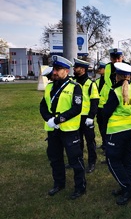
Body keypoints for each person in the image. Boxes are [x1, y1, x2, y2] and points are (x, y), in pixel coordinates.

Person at [39, 55, 86, 200]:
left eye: (58, 69)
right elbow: (43, 106)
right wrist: (49, 120)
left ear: (66, 71)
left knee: (75, 160)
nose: (55, 71)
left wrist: (58, 120)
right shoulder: (49, 87)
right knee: (55, 158)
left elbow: (76, 108)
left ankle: (80, 187)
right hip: (53, 130)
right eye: (54, 68)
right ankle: (59, 183)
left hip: (69, 130)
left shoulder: (75, 87)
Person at [102, 62, 131, 205]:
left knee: (112, 161)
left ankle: (127, 188)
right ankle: (127, 184)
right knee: (127, 159)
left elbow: (106, 112)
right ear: (129, 77)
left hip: (117, 132)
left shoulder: (116, 92)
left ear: (117, 76)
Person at [73, 58, 99, 173]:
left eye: (76, 67)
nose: (74, 69)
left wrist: (91, 117)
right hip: (75, 116)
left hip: (86, 117)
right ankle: (78, 161)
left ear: (82, 69)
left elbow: (95, 101)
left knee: (90, 141)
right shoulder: (73, 82)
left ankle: (92, 162)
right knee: (77, 141)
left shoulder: (90, 84)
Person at [95, 62, 106, 151]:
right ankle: (104, 143)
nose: (99, 70)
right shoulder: (98, 81)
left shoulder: (108, 81)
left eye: (101, 68)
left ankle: (107, 145)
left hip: (106, 108)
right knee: (101, 127)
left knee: (105, 128)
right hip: (98, 108)